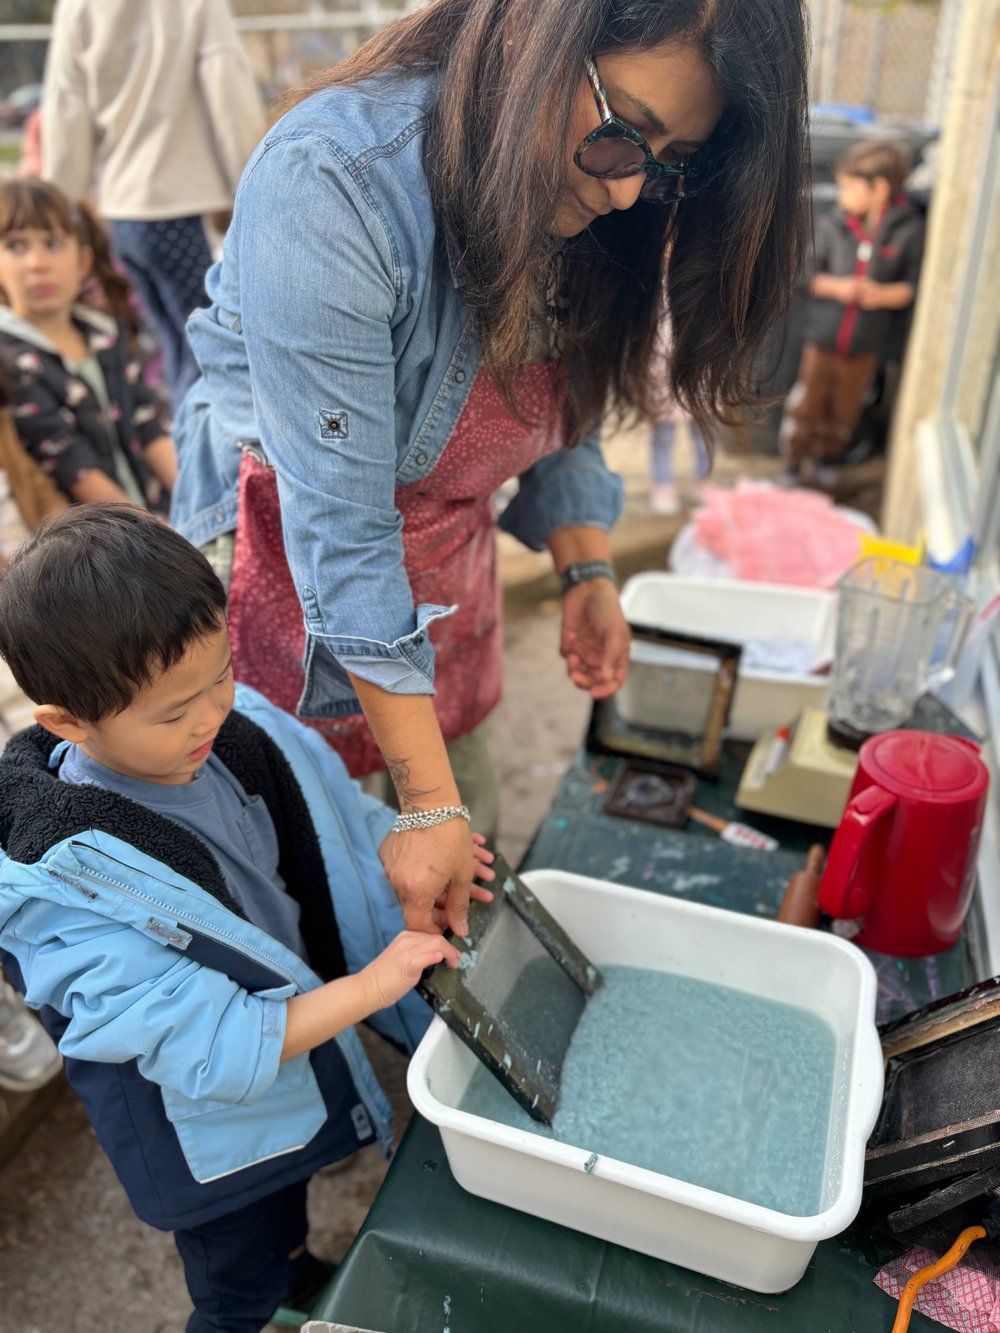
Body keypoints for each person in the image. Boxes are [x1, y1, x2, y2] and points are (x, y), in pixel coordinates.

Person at [170, 0, 810, 942]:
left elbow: (566, 406)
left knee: (458, 818)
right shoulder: (334, 183)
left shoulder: (591, 186)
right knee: (304, 851)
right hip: (293, 560)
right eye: (624, 131)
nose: (629, 191)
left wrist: (585, 565)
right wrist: (426, 807)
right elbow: (342, 529)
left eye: (668, 164)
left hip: (443, 561)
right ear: (529, 30)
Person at [0, 504, 495, 1333]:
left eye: (219, 676)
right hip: (207, 1138)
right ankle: (264, 1292)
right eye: (170, 712)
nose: (208, 717)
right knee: (235, 1280)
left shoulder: (242, 730)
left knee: (285, 1219)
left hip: (289, 1064)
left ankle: (296, 1269)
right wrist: (375, 984)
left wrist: (411, 841)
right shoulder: (61, 884)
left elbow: (336, 824)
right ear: (67, 721)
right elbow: (214, 1042)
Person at [40, 0, 265, 405]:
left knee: (176, 351)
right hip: (180, 204)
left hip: (122, 212)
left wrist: (61, 202)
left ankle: (183, 455)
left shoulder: (79, 7)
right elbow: (228, 91)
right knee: (211, 354)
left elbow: (64, 106)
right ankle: (204, 463)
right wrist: (253, 183)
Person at [0, 178, 175, 509]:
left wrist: (199, 506)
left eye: (52, 244)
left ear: (82, 262)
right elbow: (75, 469)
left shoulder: (106, 335)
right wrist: (159, 540)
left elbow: (149, 426)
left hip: (155, 514)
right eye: (16, 246)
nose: (37, 264)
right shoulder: (9, 358)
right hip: (92, 544)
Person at [780, 140, 925, 485]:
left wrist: (881, 294)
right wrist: (840, 288)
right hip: (824, 339)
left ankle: (827, 459)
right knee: (808, 404)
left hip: (865, 345)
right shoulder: (833, 225)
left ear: (879, 189)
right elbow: (805, 277)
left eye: (849, 187)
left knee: (844, 409)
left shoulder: (908, 232)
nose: (841, 195)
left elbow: (911, 287)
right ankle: (793, 462)